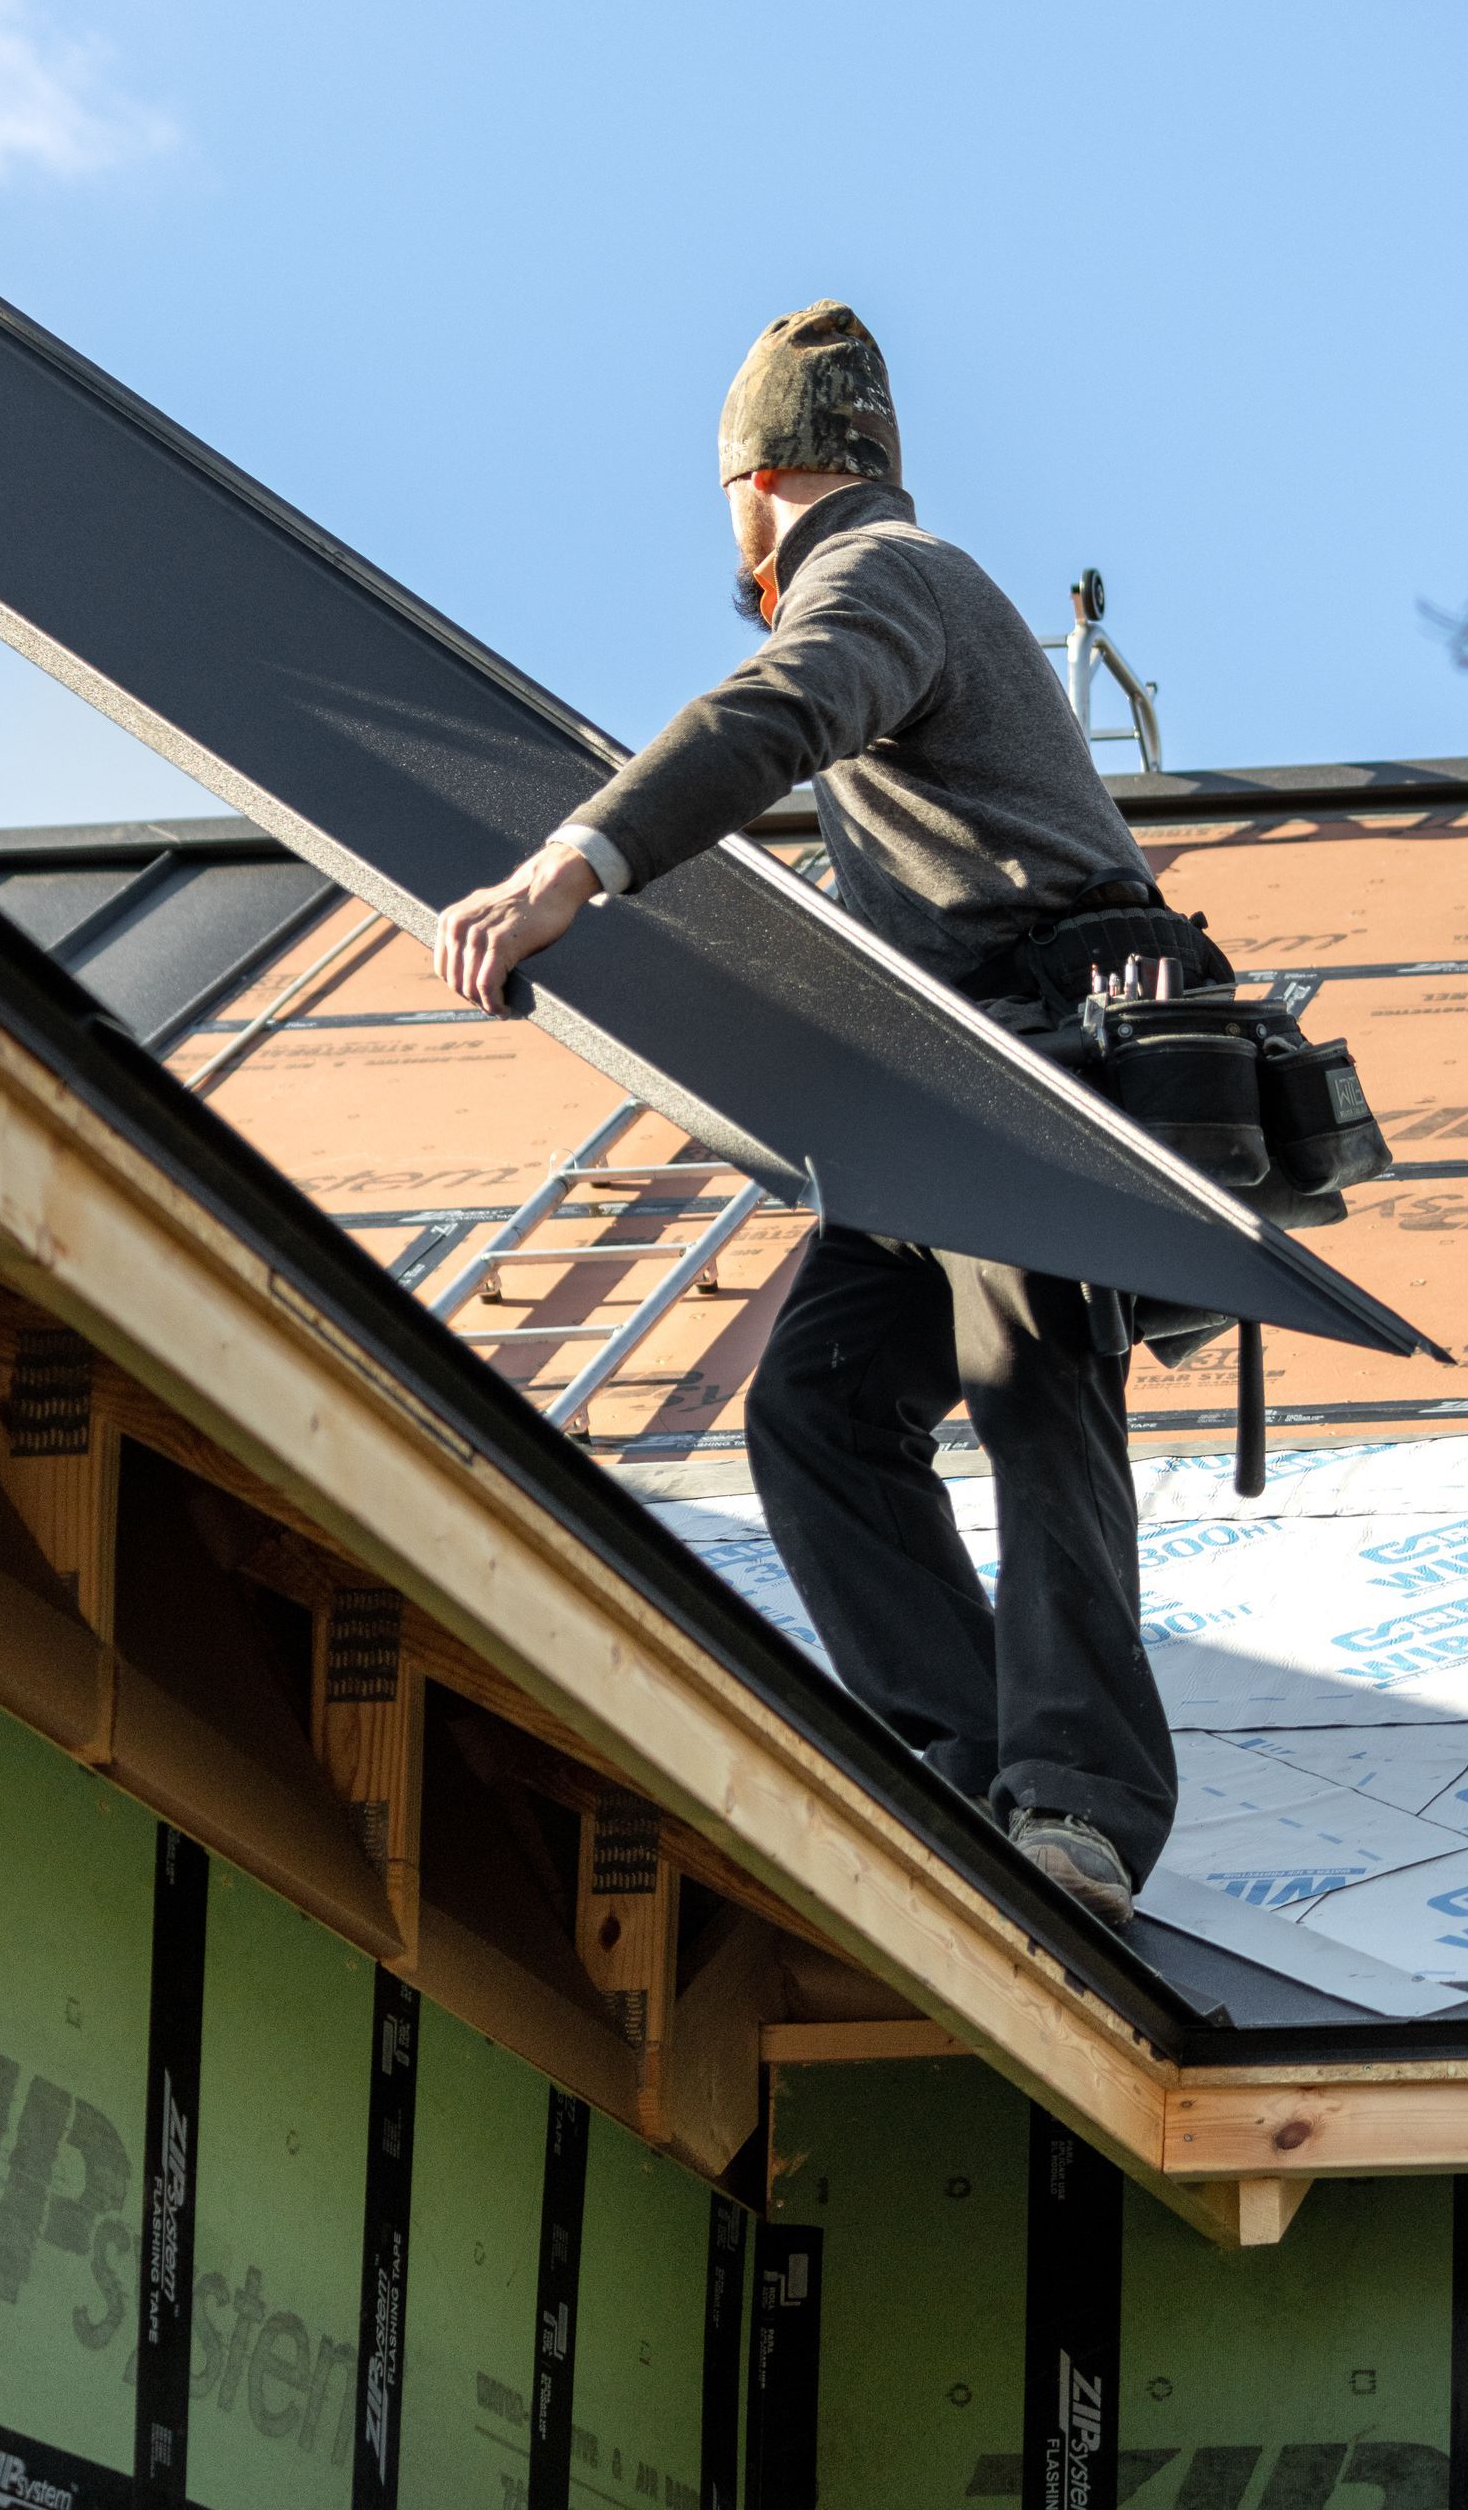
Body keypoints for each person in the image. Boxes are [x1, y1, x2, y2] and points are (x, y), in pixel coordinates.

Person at [433, 302, 1223, 1922]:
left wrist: (572, 861)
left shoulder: (882, 576)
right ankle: (965, 1767)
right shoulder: (914, 604)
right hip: (941, 1098)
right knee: (818, 1404)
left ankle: (1077, 1803)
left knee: (1031, 1385)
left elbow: (775, 713)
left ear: (762, 476)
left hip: (1036, 1072)